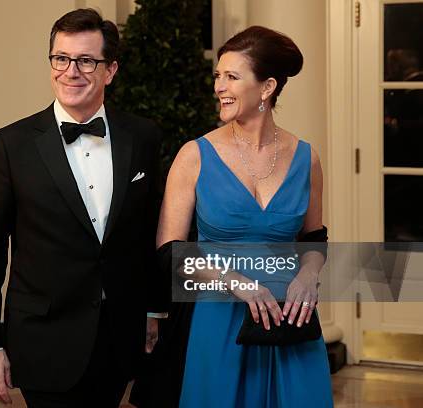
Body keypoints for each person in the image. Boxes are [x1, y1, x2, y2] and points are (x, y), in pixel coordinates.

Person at [0, 8, 167, 408]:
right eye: (61, 58)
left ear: (110, 70)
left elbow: (151, 234)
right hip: (44, 339)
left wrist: (154, 310)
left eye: (86, 61)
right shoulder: (12, 145)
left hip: (117, 337)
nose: (70, 71)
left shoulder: (143, 136)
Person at [131, 26, 333, 407]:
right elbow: (169, 251)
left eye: (231, 77)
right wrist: (236, 281)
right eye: (217, 76)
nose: (218, 87)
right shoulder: (194, 155)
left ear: (267, 87)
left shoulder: (307, 158)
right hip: (217, 320)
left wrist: (308, 276)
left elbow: (313, 239)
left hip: (290, 323)